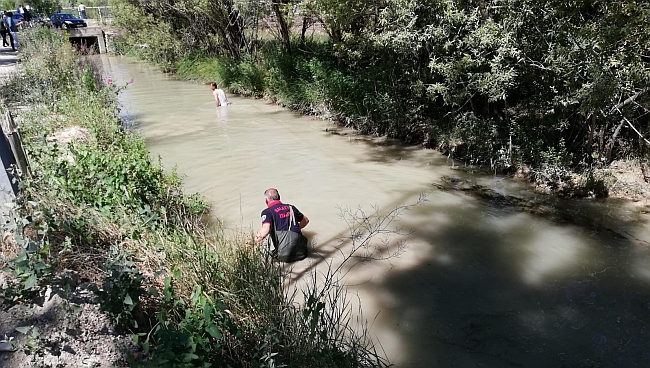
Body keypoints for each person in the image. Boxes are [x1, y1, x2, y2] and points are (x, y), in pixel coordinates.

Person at [254, 188, 310, 262]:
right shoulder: (291, 208)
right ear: (279, 197)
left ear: (266, 201)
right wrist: (297, 229)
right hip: (302, 253)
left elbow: (265, 229)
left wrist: (253, 243)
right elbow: (305, 220)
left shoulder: (267, 212)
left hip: (284, 256)